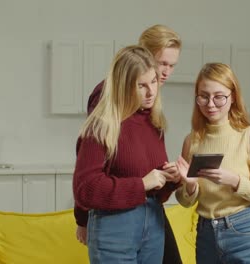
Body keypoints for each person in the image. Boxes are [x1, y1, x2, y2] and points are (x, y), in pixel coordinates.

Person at [82, 24, 183, 264]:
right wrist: (82, 218)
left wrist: (170, 175)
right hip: (120, 213)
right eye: (162, 63)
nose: (166, 72)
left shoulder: (152, 105)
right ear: (143, 56)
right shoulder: (107, 94)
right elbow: (93, 161)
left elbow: (147, 160)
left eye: (172, 65)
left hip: (149, 209)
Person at [175, 63, 250, 264]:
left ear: (233, 97)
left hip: (245, 231)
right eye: (203, 96)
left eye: (219, 96)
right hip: (205, 236)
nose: (210, 104)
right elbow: (185, 200)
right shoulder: (191, 141)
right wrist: (191, 185)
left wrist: (234, 180)